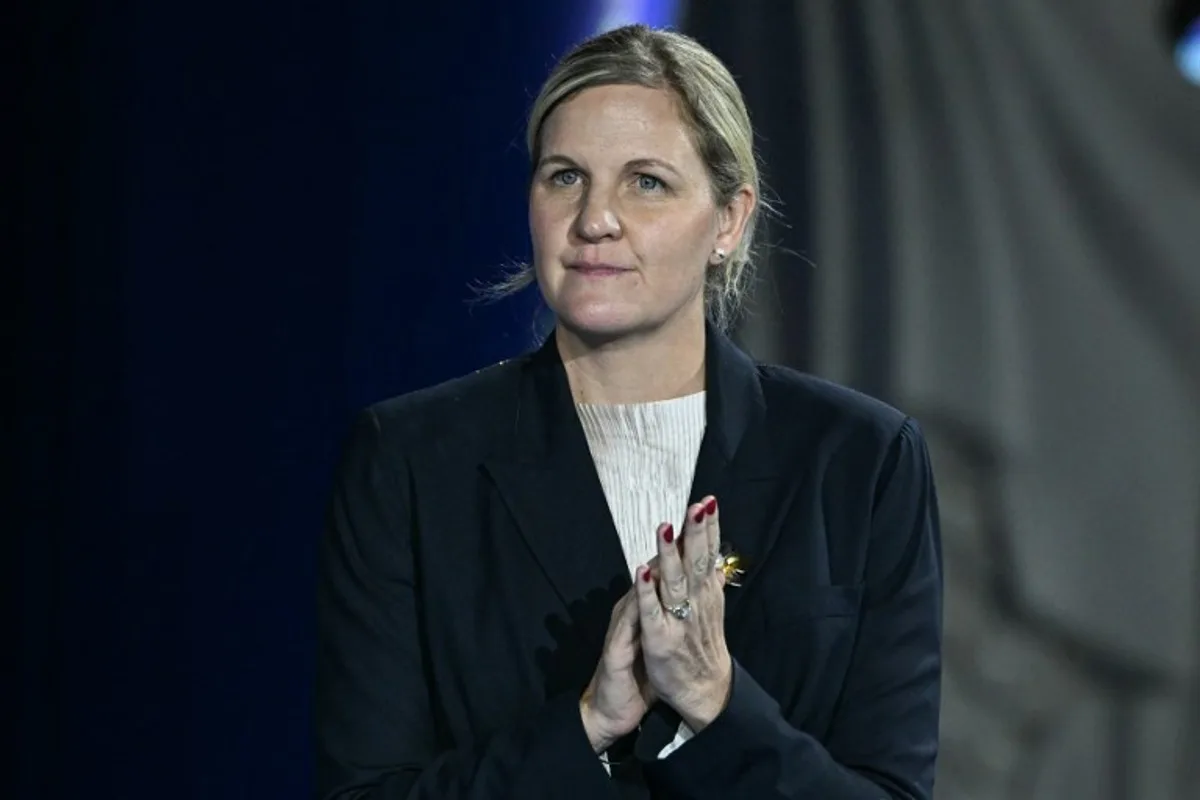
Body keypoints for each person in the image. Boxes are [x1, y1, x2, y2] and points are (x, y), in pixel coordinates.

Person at [314, 23, 942, 800]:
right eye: (564, 177)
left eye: (646, 181)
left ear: (729, 219)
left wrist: (718, 705)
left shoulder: (858, 461)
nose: (594, 219)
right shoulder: (410, 461)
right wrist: (587, 724)